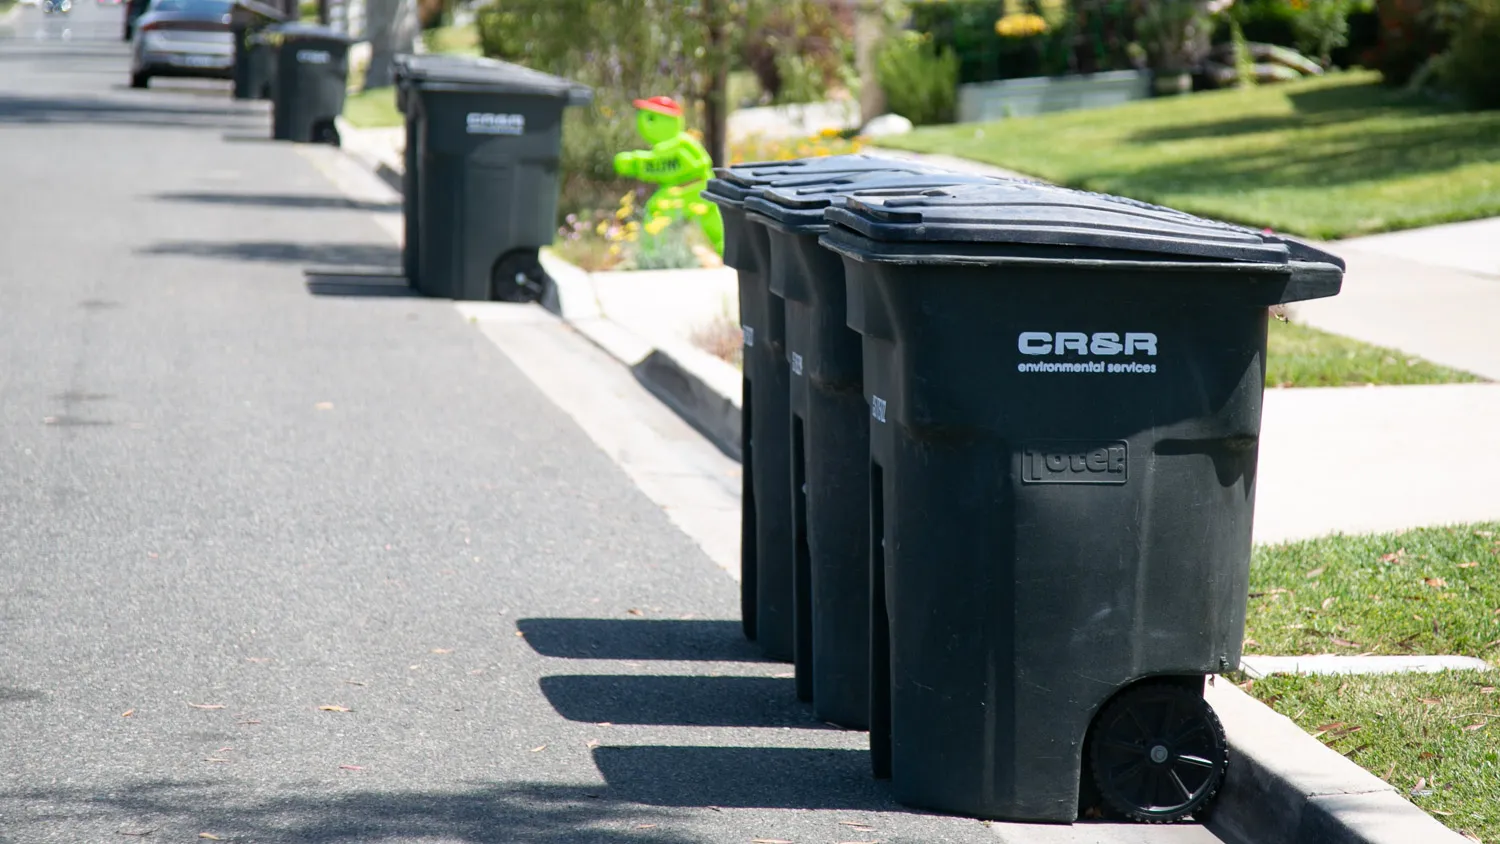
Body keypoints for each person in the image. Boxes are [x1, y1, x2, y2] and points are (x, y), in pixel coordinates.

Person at [612, 96, 724, 255]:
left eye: (651, 118)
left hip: (694, 189)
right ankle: (656, 252)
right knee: (714, 227)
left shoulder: (680, 144)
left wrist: (633, 163)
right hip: (695, 188)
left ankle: (653, 253)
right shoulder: (677, 144)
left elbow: (659, 164)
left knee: (657, 210)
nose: (645, 124)